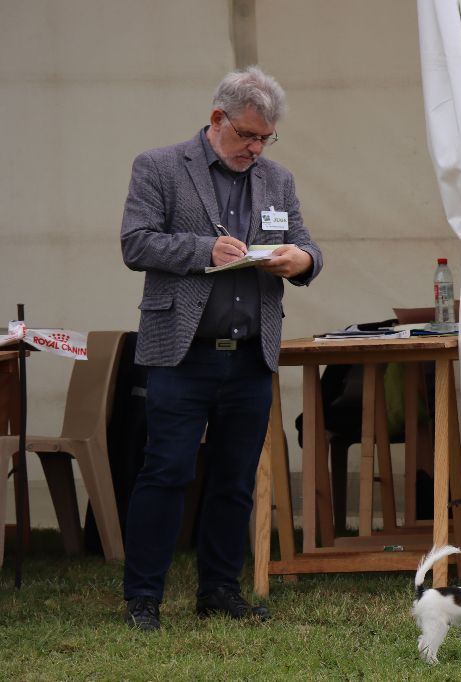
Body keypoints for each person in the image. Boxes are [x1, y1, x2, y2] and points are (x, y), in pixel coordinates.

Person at [120, 66, 323, 631]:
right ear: (217, 119)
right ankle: (143, 598)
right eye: (247, 136)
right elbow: (135, 242)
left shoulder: (277, 179)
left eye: (265, 138)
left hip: (251, 354)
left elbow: (307, 247)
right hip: (180, 354)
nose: (256, 148)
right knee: (167, 472)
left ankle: (218, 589)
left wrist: (300, 261)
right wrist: (204, 250)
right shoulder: (158, 166)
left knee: (235, 478)